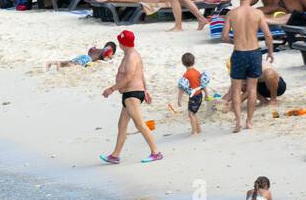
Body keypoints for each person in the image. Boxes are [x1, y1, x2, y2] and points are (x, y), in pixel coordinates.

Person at [100, 29, 162, 164]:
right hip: (130, 94)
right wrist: (146, 90)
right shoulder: (128, 54)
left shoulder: (132, 56)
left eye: (120, 42)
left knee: (140, 125)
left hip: (132, 94)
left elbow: (128, 77)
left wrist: (111, 89)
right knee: (122, 125)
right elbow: (141, 74)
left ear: (123, 43)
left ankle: (156, 152)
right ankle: (115, 155)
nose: (119, 44)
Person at [221, 0, 276, 133]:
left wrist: (235, 42)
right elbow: (268, 35)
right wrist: (270, 52)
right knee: (252, 89)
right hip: (254, 53)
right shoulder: (257, 13)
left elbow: (224, 36)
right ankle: (249, 121)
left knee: (236, 89)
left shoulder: (231, 14)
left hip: (239, 53)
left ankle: (238, 121)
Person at [177, 52, 207, 136]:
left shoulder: (186, 75)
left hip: (194, 97)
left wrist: (179, 99)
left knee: (191, 114)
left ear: (183, 63)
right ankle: (199, 129)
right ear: (194, 61)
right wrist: (207, 94)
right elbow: (203, 84)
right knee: (194, 113)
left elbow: (182, 88)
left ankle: (194, 132)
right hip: (200, 95)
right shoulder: (197, 72)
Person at [46, 41, 117, 70]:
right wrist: (110, 57)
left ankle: (52, 62)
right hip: (87, 59)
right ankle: (58, 64)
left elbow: (90, 51)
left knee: (70, 62)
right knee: (73, 64)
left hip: (84, 56)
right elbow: (105, 57)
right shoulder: (106, 51)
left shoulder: (97, 49)